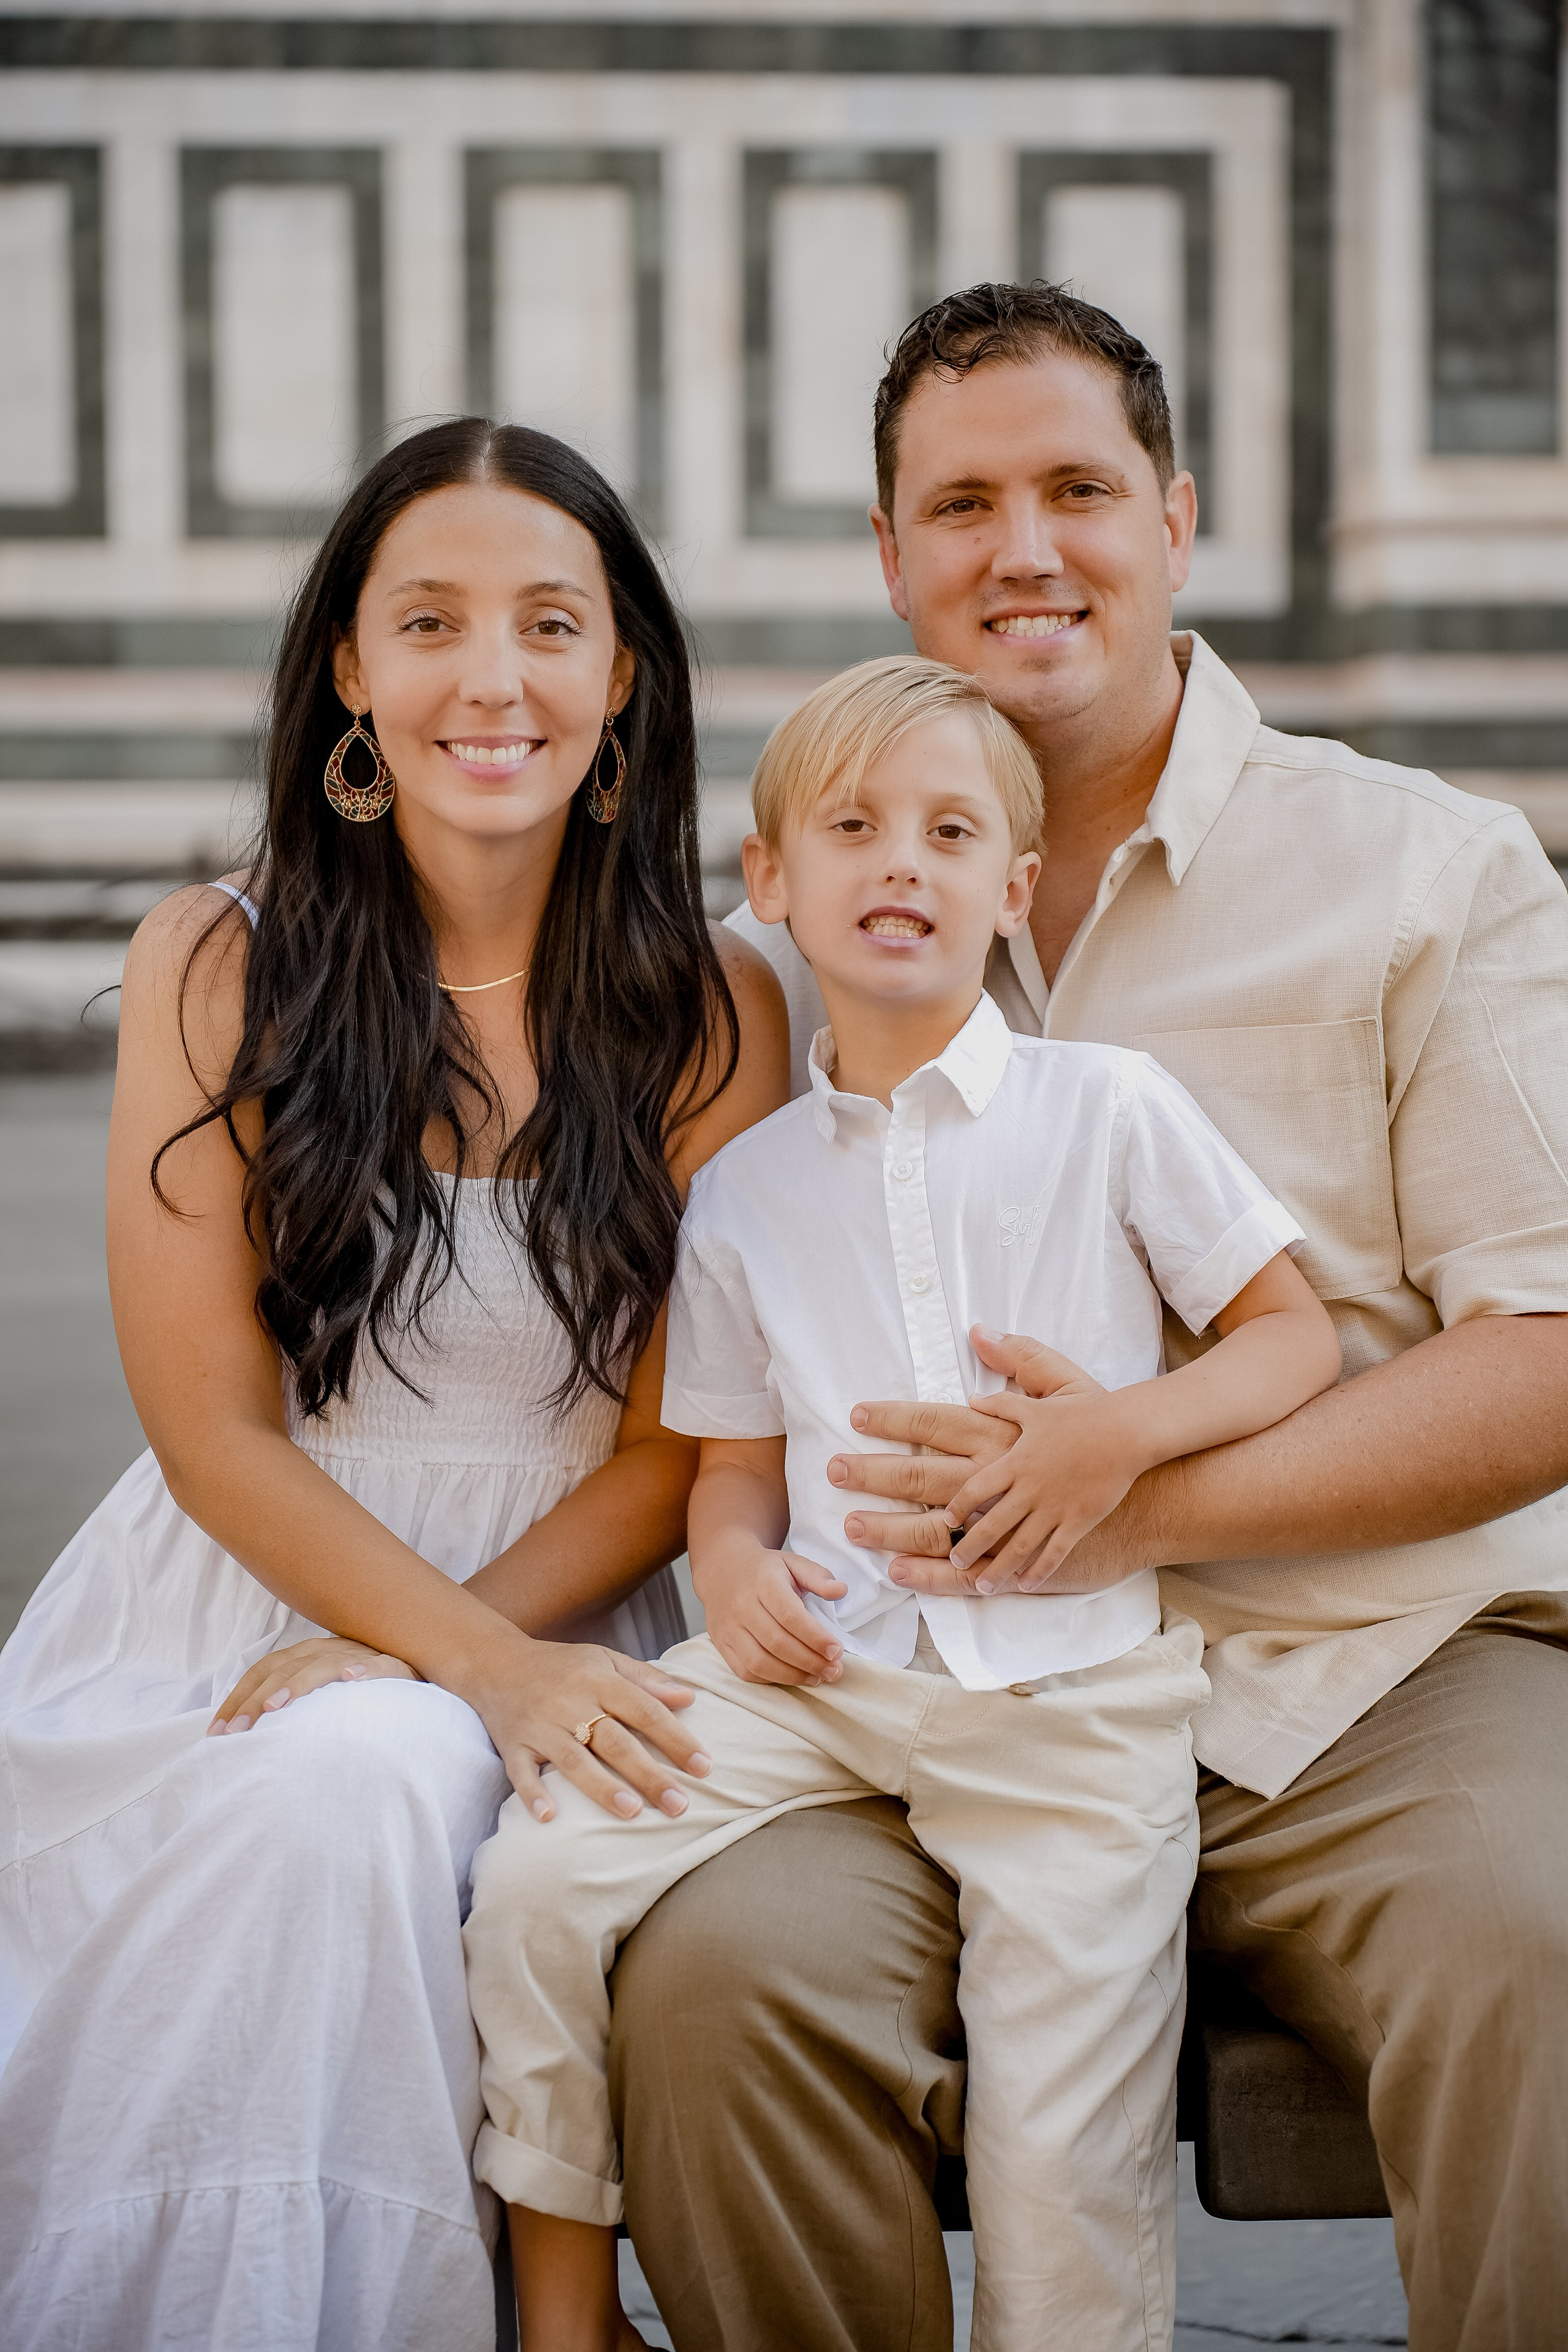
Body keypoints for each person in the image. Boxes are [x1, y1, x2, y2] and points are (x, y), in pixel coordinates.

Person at [607, 286, 1568, 2352]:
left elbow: (1551, 1351)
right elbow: (678, 1373)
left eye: (1078, 489)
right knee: (708, 1982)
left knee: (1549, 1941)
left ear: (1178, 518)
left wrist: (1128, 1497)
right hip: (911, 1690)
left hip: (1368, 1664)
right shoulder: (776, 960)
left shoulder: (1430, 869)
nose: (1023, 548)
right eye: (961, 503)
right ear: (890, 558)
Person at [0, 419, 786, 2352]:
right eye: (426, 622)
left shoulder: (720, 1003)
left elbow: (672, 1444)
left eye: (548, 624)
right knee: (334, 1783)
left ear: (623, 679)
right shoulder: (217, 961)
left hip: (567, 1601)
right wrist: (445, 1664)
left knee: (371, 1763)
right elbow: (210, 1433)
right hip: (241, 1608)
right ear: (350, 668)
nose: (489, 680)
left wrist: (471, 1661)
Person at [463, 655, 1341, 2352]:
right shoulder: (742, 1192)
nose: (901, 864)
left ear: (1011, 889)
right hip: (825, 1680)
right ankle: (562, 2313)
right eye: (853, 827)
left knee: (1060, 2163)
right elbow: (728, 1474)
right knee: (536, 1880)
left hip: (1074, 1707)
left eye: (950, 832)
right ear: (771, 881)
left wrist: (1122, 1440)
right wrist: (731, 1582)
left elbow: (1289, 1336)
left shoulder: (1110, 1112)